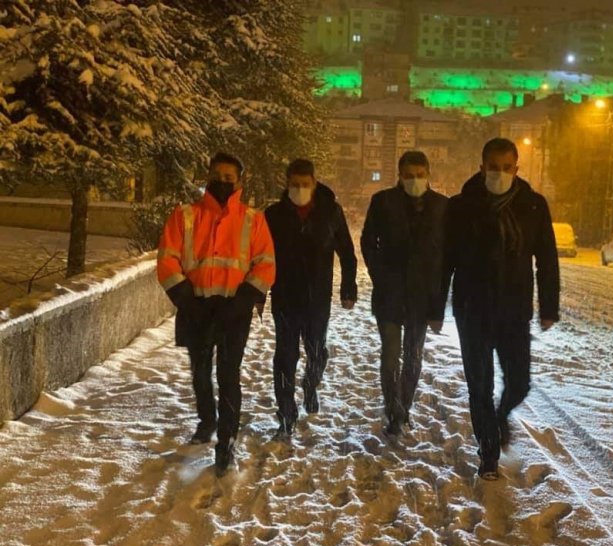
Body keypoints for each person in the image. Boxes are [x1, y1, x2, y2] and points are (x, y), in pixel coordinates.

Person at [443, 137, 560, 480]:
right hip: (472, 309)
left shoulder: (533, 206)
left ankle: (499, 418)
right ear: (481, 168)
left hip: (513, 309)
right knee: (479, 384)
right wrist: (436, 307)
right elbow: (445, 260)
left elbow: (547, 260)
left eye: (506, 168)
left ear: (517, 168)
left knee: (519, 383)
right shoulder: (461, 206)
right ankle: (488, 455)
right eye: (493, 167)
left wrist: (549, 307)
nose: (500, 173)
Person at [157, 152, 276, 477]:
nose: (223, 181)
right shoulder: (185, 216)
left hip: (233, 309)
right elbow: (167, 259)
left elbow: (265, 264)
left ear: (239, 182)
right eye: (217, 175)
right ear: (207, 176)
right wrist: (186, 299)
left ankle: (226, 440)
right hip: (195, 306)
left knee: (228, 374)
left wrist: (244, 300)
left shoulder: (253, 219)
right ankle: (206, 420)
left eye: (229, 177)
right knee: (199, 372)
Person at [264, 159, 357, 437]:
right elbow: (261, 256)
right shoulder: (274, 215)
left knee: (317, 352)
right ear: (287, 183)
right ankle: (286, 413)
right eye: (295, 184)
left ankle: (310, 383)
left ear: (315, 184)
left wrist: (348, 288)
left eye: (305, 184)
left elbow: (347, 253)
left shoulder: (330, 212)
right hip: (284, 297)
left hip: (318, 298)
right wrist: (258, 293)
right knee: (285, 356)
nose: (300, 189)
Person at [361, 151, 448, 436]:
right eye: (409, 175)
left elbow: (446, 256)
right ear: (399, 175)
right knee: (390, 356)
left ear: (428, 174)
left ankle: (403, 409)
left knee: (413, 357)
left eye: (420, 175)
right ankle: (392, 408)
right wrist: (380, 274)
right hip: (389, 294)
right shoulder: (383, 201)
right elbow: (367, 241)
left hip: (422, 297)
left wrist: (437, 300)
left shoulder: (441, 207)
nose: (415, 180)